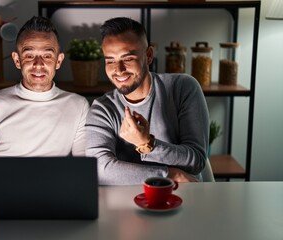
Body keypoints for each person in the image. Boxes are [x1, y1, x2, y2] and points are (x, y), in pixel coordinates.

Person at [0, 16, 90, 184]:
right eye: (29, 56)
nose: (38, 64)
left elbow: (83, 170)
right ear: (16, 60)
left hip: (52, 194)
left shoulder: (78, 105)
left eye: (47, 56)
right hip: (3, 194)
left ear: (58, 61)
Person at [85, 17, 209, 185]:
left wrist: (147, 143)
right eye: (110, 61)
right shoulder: (102, 109)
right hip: (127, 202)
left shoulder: (183, 88)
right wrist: (169, 175)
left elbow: (197, 160)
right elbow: (99, 169)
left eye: (128, 59)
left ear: (149, 55)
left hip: (183, 196)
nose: (118, 70)